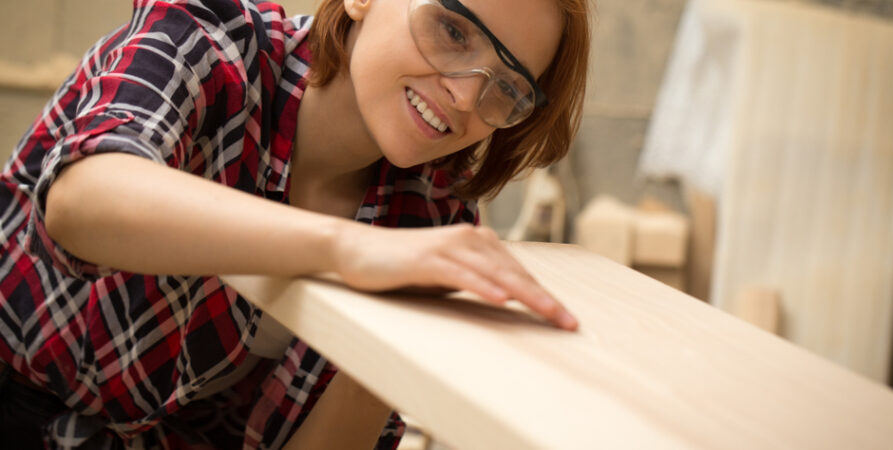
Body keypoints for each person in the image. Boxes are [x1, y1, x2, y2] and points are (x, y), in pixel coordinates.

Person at [0, 0, 590, 447]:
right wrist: (345, 248)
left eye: (506, 86)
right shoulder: (208, 38)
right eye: (453, 30)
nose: (465, 97)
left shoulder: (432, 203)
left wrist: (394, 354)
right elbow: (83, 200)